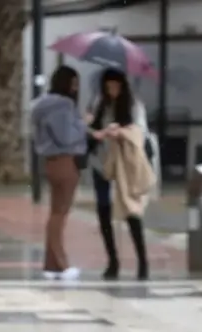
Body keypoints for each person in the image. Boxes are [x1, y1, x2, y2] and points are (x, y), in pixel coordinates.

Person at [87, 68, 151, 280]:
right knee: (104, 210)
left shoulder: (133, 105)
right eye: (108, 87)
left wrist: (121, 132)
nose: (112, 90)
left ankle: (142, 261)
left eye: (115, 86)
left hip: (125, 164)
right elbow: (91, 128)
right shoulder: (98, 103)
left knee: (131, 210)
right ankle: (112, 260)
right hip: (102, 163)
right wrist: (96, 130)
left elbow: (140, 132)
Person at [30, 65, 87, 281]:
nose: (76, 88)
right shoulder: (63, 105)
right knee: (60, 214)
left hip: (50, 162)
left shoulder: (42, 105)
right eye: (73, 84)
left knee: (56, 212)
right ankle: (62, 264)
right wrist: (83, 125)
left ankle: (51, 264)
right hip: (65, 161)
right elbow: (66, 136)